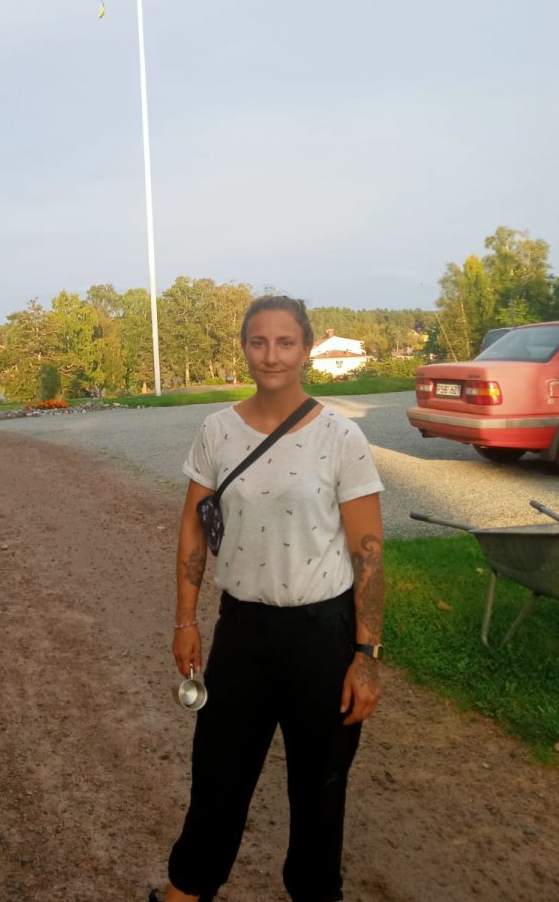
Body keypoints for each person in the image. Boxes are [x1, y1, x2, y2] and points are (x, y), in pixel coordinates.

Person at [151, 296, 384, 902]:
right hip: (244, 636)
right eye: (259, 342)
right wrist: (185, 619)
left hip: (322, 639)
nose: (271, 355)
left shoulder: (341, 437)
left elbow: (368, 553)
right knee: (217, 782)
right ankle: (186, 889)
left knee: (319, 797)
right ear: (244, 348)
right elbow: (194, 528)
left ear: (306, 349)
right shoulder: (217, 431)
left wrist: (366, 655)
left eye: (285, 342)